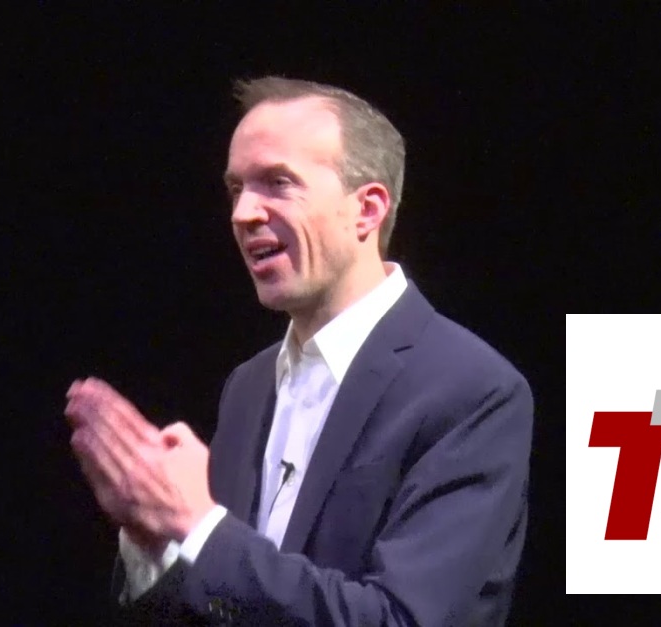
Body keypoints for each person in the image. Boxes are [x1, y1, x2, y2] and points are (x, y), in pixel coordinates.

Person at [64, 76, 533, 626]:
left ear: (367, 209)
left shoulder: (471, 390)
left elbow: (400, 619)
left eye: (277, 183)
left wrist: (199, 527)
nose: (243, 213)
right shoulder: (248, 386)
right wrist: (156, 537)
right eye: (236, 188)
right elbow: (227, 606)